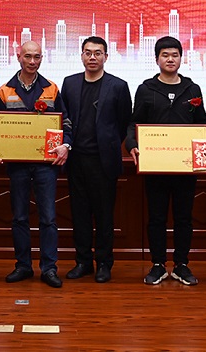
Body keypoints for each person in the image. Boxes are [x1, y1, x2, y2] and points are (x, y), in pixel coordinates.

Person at [126, 36, 206, 286]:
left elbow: (202, 124)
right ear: (157, 59)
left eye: (175, 55)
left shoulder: (192, 89)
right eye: (165, 55)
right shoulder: (146, 89)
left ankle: (181, 264)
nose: (170, 59)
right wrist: (132, 144)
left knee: (184, 217)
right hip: (155, 166)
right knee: (156, 218)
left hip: (185, 166)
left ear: (181, 58)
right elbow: (134, 123)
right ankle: (158, 264)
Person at [0, 41, 70, 289]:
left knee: (48, 218)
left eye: (37, 57)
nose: (32, 61)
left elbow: (65, 123)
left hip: (46, 164)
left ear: (42, 58)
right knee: (20, 217)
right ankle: (23, 266)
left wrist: (66, 145)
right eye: (28, 56)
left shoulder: (51, 89)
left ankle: (49, 268)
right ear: (18, 57)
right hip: (17, 165)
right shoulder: (5, 91)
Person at [59, 36, 132, 284]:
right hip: (76, 159)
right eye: (88, 52)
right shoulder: (69, 83)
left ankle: (103, 263)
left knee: (104, 215)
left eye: (98, 53)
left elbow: (123, 122)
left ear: (106, 57)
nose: (92, 57)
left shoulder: (118, 86)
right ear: (81, 55)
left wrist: (108, 142)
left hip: (104, 161)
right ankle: (82, 262)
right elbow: (64, 118)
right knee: (79, 213)